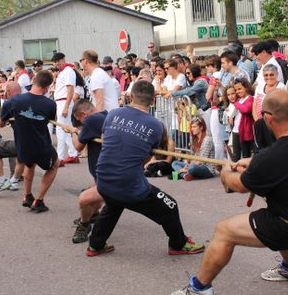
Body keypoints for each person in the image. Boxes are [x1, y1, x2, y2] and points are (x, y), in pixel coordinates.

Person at [173, 90, 288, 295]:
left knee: (224, 231)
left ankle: (199, 289)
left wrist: (225, 171)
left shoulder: (272, 158)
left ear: (268, 118)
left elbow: (237, 185)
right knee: (279, 209)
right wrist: (253, 162)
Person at [87, 80, 205, 257]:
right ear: (152, 101)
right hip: (128, 185)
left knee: (114, 203)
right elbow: (148, 157)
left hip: (102, 179)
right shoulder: (155, 125)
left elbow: (105, 141)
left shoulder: (112, 114)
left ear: (131, 96)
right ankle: (178, 244)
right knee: (170, 206)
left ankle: (95, 244)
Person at [0, 70, 59, 212]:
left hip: (22, 146)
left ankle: (27, 196)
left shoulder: (13, 101)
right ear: (47, 87)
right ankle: (39, 200)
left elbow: (0, 124)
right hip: (40, 145)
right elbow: (49, 120)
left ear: (34, 81)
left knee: (30, 165)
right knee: (54, 165)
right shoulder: (50, 104)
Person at [68, 99, 107, 243]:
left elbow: (78, 147)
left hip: (103, 169)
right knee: (95, 189)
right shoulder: (104, 114)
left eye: (80, 120)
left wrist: (72, 132)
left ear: (84, 115)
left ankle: (84, 225)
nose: (81, 123)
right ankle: (94, 214)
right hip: (102, 169)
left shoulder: (91, 120)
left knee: (85, 199)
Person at [52, 52, 80, 165]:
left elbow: (70, 90)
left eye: (58, 60)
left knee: (60, 130)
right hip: (62, 102)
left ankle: (60, 157)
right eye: (55, 61)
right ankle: (73, 154)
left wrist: (66, 107)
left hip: (64, 102)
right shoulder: (64, 71)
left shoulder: (68, 70)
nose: (57, 63)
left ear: (63, 59)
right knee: (66, 130)